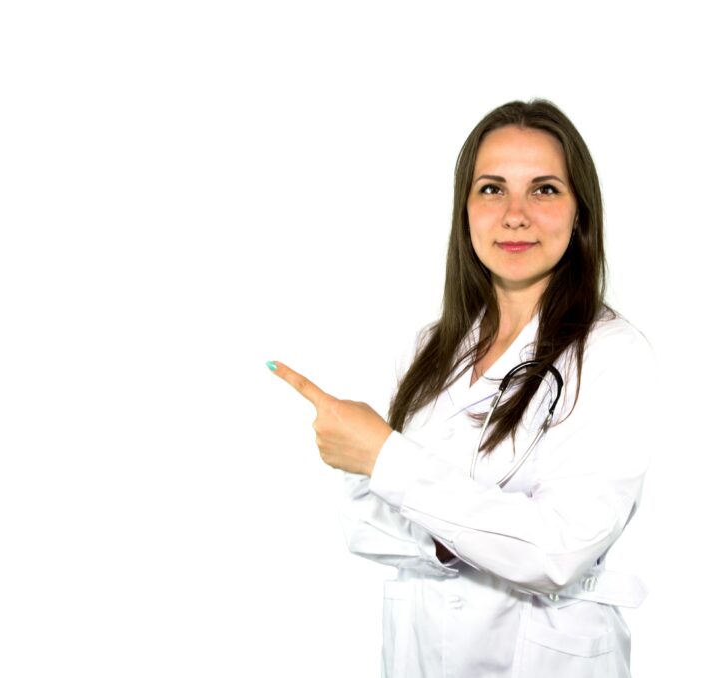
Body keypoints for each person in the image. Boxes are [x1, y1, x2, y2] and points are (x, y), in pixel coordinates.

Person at [266, 99, 655, 677]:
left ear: (580, 213)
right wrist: (465, 534)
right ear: (465, 210)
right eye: (492, 189)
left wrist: (387, 462)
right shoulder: (430, 350)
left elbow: (556, 551)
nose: (515, 214)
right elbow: (362, 524)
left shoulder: (612, 354)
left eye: (544, 189)